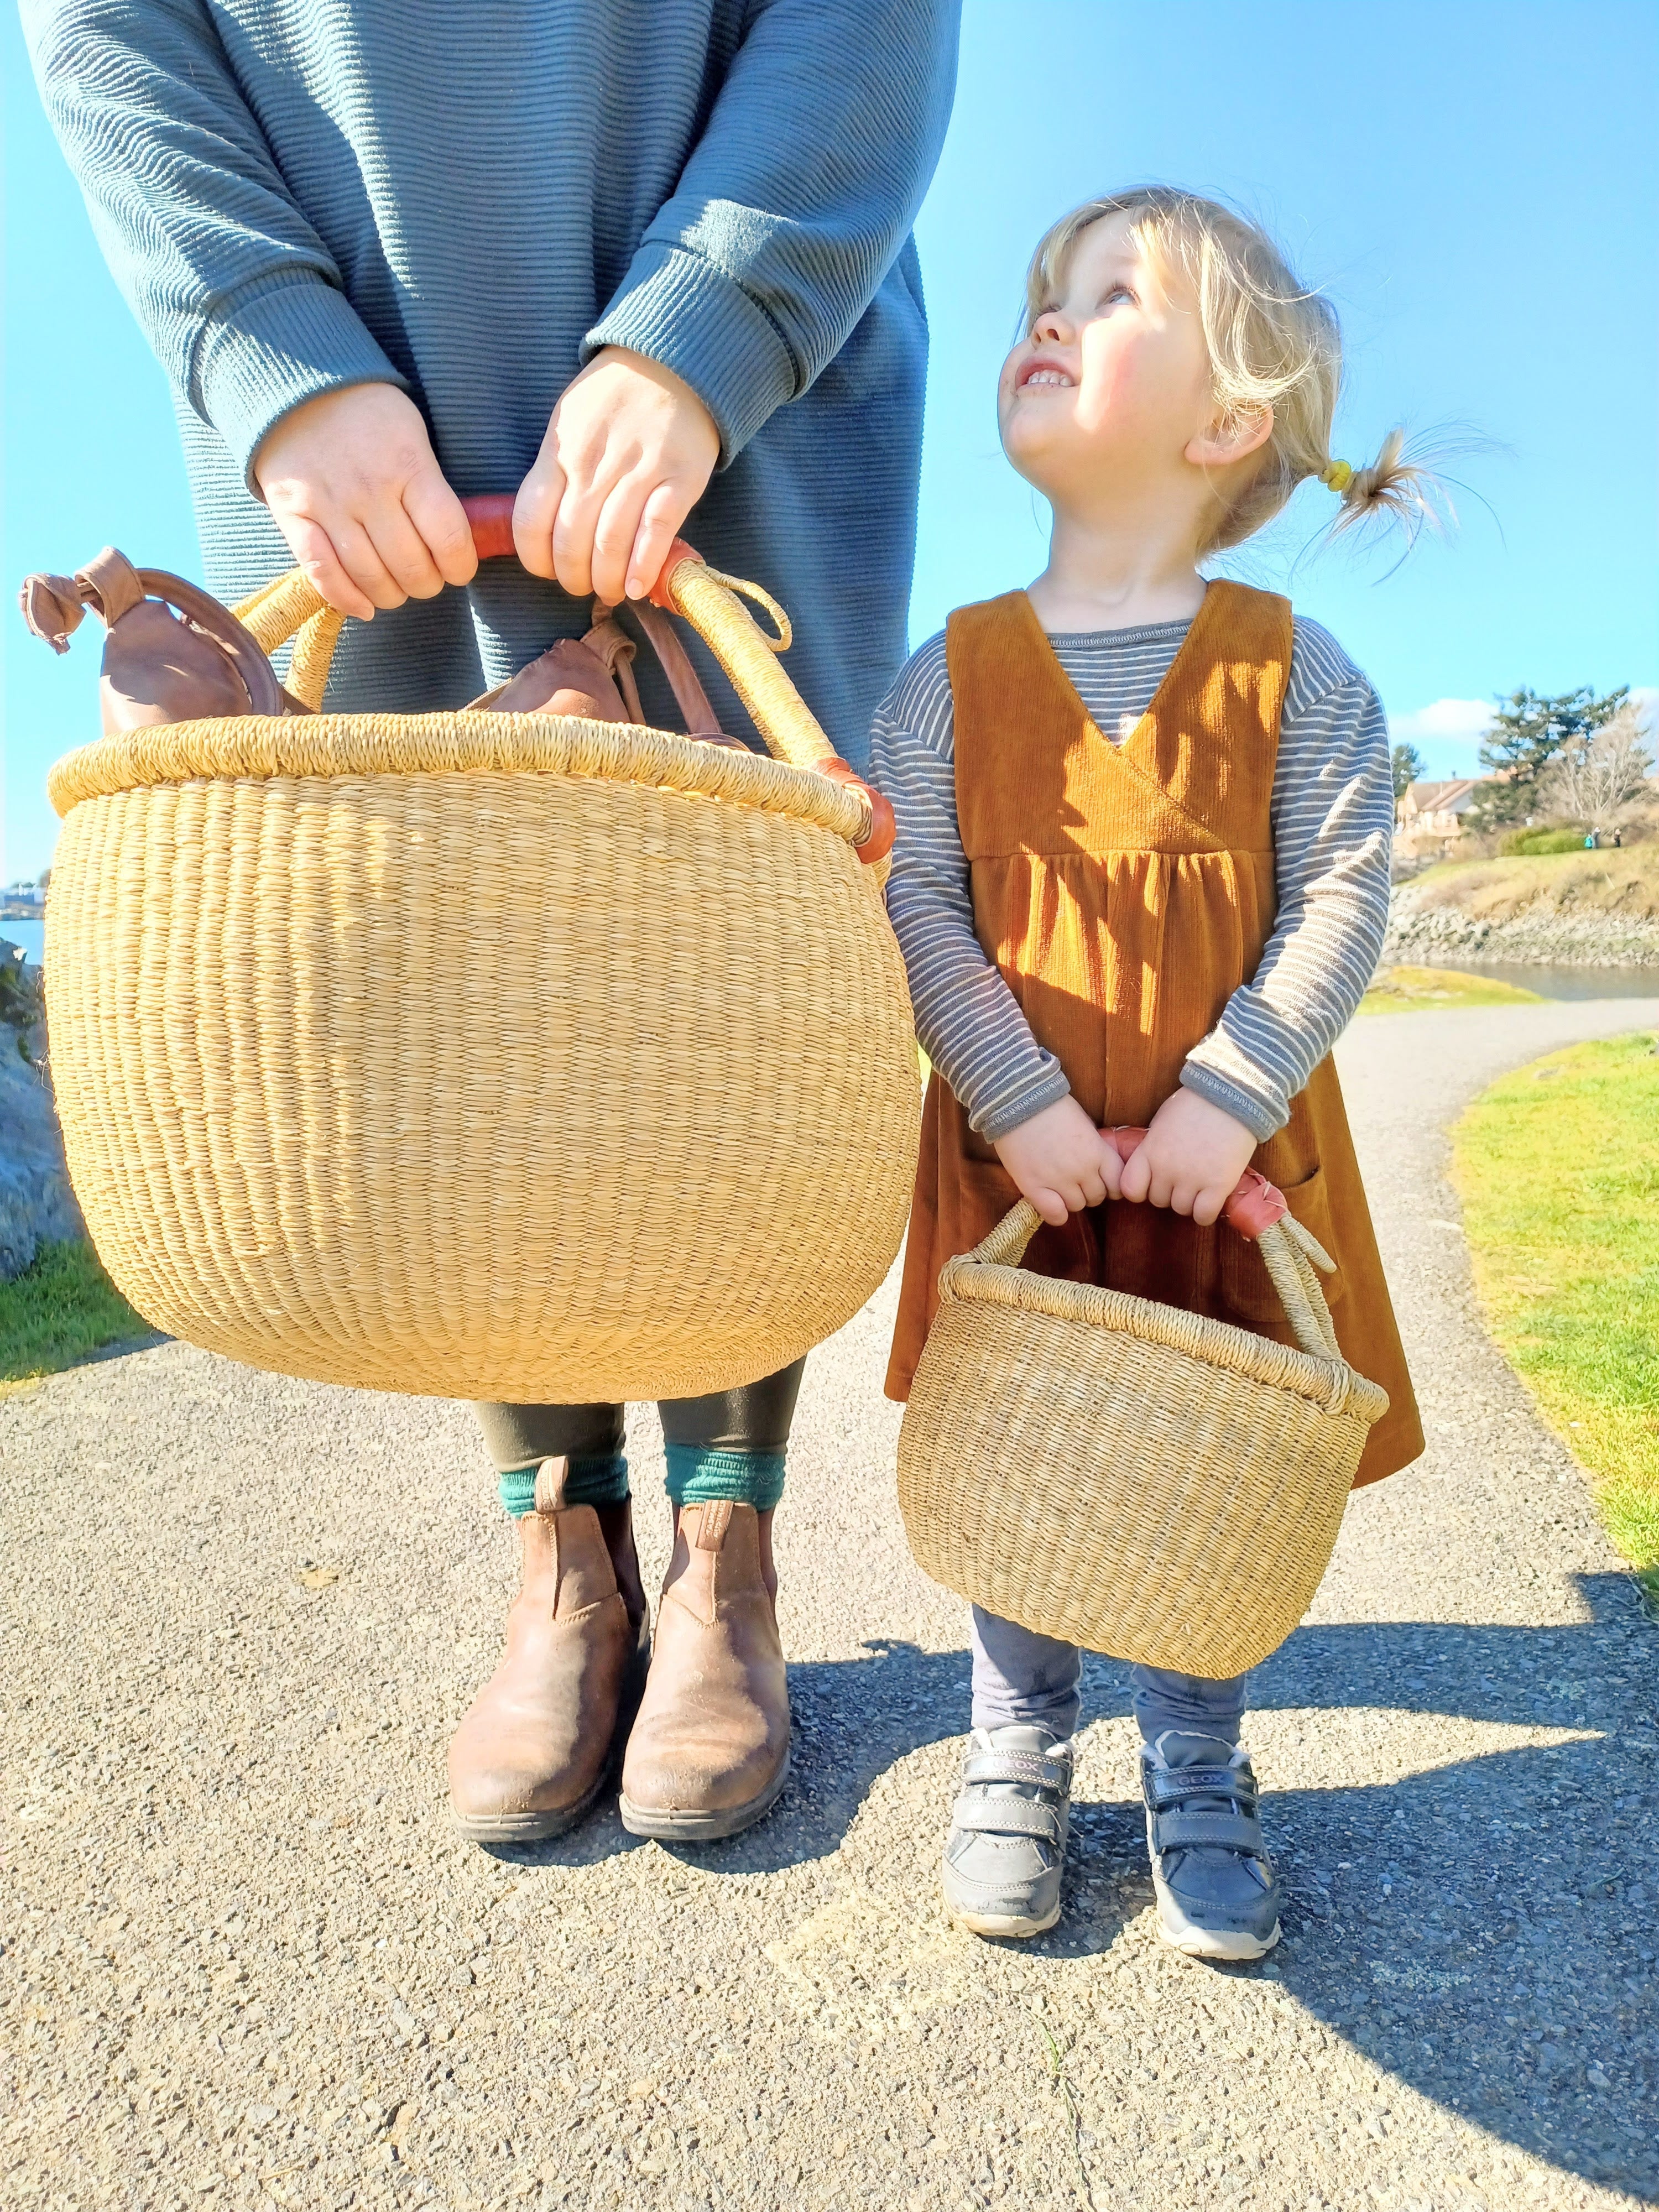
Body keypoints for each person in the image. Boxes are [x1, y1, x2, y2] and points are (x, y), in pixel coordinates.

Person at [25, 0, 960, 1843]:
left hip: (725, 380)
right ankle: (567, 1563)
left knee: (719, 973)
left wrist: (716, 318)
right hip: (356, 356)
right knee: (436, 990)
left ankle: (725, 1557)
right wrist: (266, 348)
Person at [872, 189, 1426, 1959]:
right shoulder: (944, 677)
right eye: (1046, 292)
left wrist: (1233, 1091)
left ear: (1223, 423)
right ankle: (1019, 1740)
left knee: (1210, 1462)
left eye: (1109, 297)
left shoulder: (1296, 673)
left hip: (1220, 1166)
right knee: (1025, 1453)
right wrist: (1013, 1095)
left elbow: (1349, 883)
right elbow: (915, 894)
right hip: (1021, 1154)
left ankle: (1196, 1746)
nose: (1049, 315)